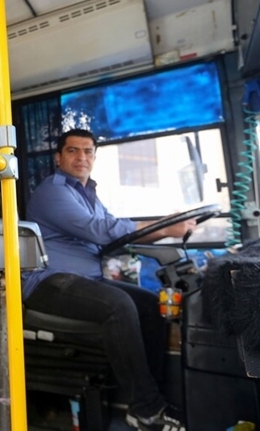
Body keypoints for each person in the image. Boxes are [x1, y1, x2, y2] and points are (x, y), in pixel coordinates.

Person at [23, 129, 195, 431]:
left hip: (84, 279)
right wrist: (166, 228)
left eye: (88, 151)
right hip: (48, 283)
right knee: (118, 304)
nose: (82, 157)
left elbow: (112, 233)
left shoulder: (89, 195)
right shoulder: (53, 189)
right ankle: (147, 409)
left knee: (149, 304)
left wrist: (159, 230)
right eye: (73, 151)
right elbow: (99, 230)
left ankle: (146, 401)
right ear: (59, 157)